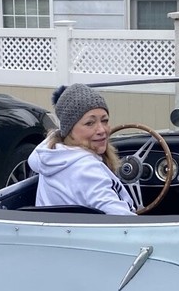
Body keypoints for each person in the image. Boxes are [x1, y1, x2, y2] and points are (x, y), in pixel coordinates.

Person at [28, 84, 136, 214]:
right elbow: (122, 219)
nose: (102, 130)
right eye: (90, 123)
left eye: (104, 121)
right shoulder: (87, 170)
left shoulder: (52, 154)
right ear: (69, 130)